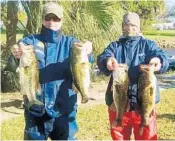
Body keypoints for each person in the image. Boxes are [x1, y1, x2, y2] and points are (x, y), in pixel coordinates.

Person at [12, 2, 93, 140]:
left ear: (62, 20)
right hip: (36, 111)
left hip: (64, 110)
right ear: (42, 19)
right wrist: (15, 54)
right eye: (48, 18)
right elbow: (15, 63)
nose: (51, 22)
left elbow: (85, 64)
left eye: (56, 18)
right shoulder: (30, 41)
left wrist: (89, 52)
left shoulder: (71, 43)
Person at [97, 12, 169, 140]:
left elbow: (162, 56)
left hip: (143, 105)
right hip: (118, 104)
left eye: (133, 25)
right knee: (119, 137)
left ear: (139, 27)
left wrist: (159, 61)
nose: (130, 28)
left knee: (146, 136)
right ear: (123, 26)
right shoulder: (115, 46)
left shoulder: (148, 45)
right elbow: (103, 57)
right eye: (126, 25)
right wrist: (107, 61)